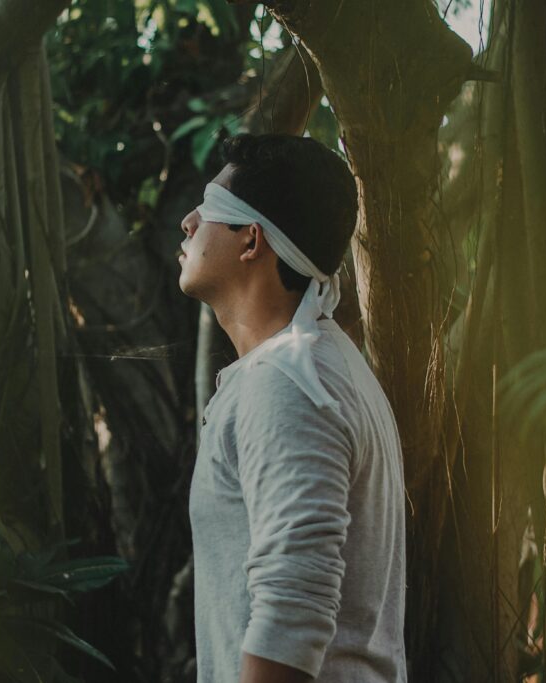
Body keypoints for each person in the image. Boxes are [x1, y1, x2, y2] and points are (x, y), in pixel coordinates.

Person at [179, 134, 406, 683]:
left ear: (251, 241)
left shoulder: (286, 383)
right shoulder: (318, 365)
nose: (188, 221)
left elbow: (293, 608)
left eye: (208, 211)